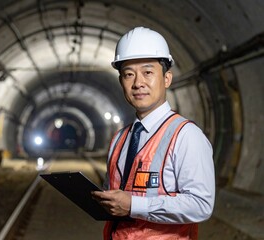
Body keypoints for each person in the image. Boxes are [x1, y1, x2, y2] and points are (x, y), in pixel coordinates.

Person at [92, 26, 215, 240]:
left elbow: (201, 205)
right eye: (129, 74)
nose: (138, 83)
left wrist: (133, 205)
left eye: (148, 72)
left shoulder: (186, 136)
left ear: (167, 79)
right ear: (121, 81)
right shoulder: (119, 139)